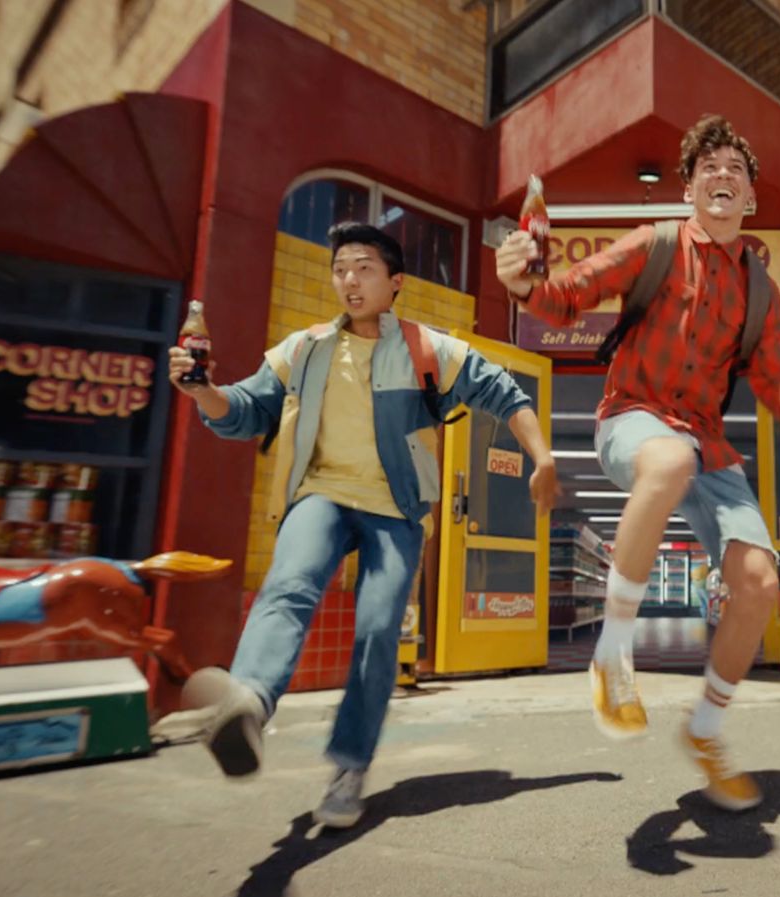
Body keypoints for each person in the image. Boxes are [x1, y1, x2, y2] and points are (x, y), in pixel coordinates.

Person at [495, 114, 780, 811]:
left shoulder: (762, 290)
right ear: (689, 188)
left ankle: (707, 728)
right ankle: (612, 652)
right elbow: (566, 297)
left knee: (757, 583)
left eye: (736, 171)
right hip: (632, 415)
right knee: (667, 462)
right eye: (709, 168)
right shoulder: (653, 245)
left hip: (709, 442)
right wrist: (520, 284)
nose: (723, 177)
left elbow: (778, 387)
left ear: (750, 198)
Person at [169, 222, 559, 827]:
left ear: (395, 282)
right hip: (320, 495)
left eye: (364, 268)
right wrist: (203, 393)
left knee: (378, 633)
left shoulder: (428, 348)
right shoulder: (304, 349)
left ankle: (350, 766)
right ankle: (247, 702)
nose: (349, 280)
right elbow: (243, 410)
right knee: (289, 583)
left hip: (398, 510)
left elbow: (505, 393)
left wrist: (543, 457)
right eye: (340, 268)